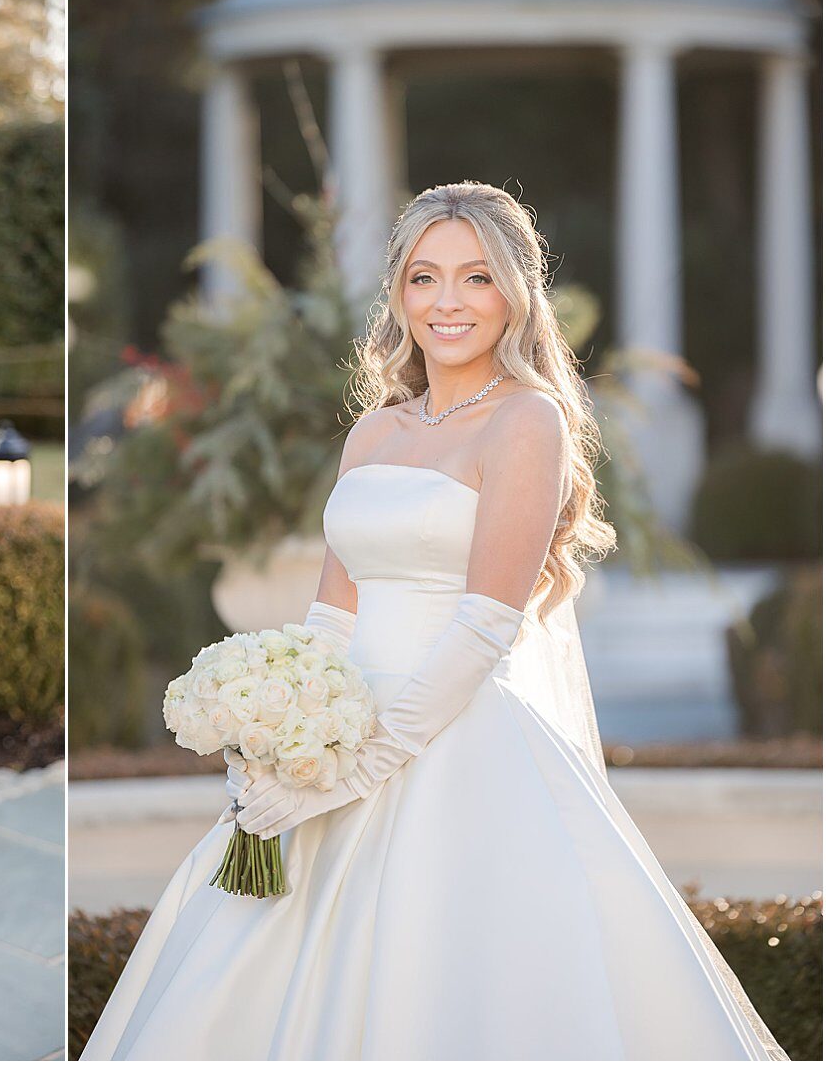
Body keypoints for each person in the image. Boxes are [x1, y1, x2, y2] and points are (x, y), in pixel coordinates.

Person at [81, 181, 787, 1060]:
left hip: (455, 735)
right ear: (398, 294)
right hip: (330, 736)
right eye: (424, 277)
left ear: (515, 295)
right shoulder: (373, 432)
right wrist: (271, 735)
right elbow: (332, 613)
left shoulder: (528, 422)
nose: (447, 302)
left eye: (476, 277)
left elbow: (487, 623)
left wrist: (362, 765)